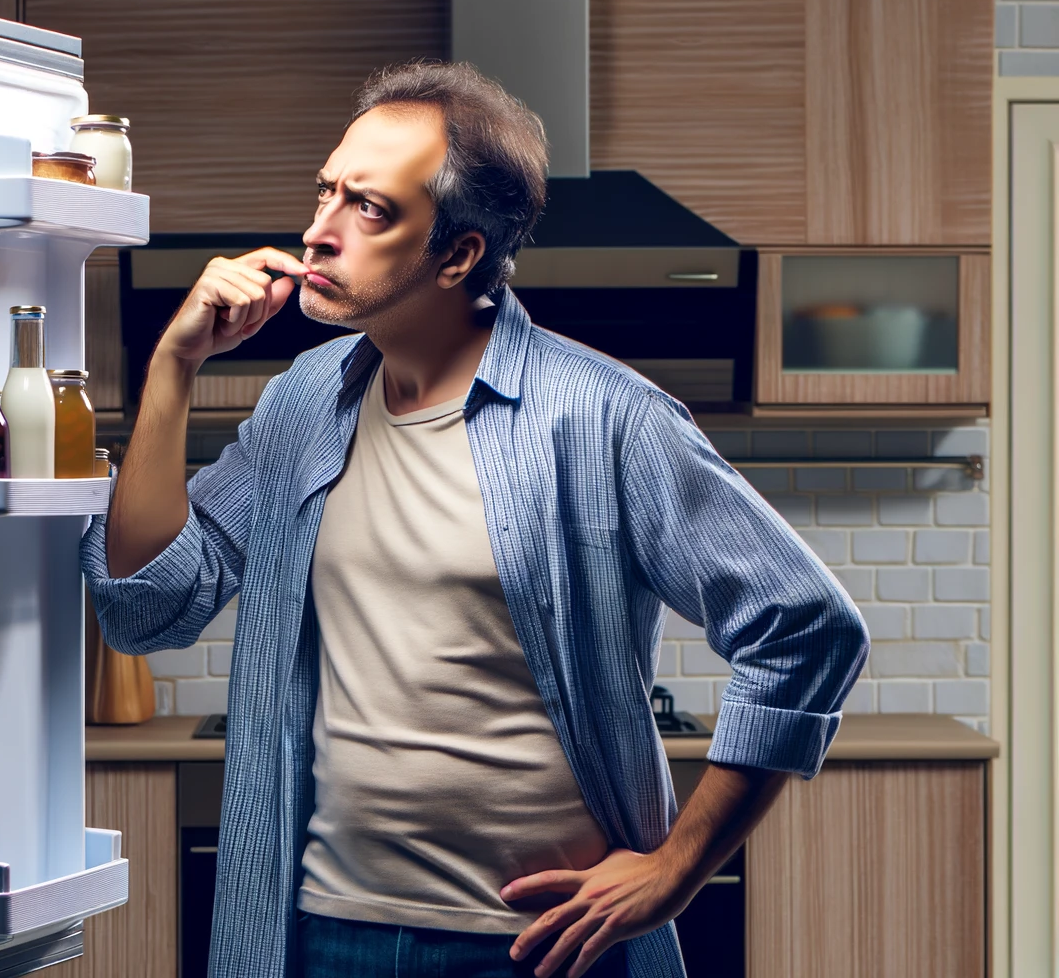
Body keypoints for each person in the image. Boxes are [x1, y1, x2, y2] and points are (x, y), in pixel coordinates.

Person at [83, 60, 868, 978]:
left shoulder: (604, 417)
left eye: (369, 209)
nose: (318, 231)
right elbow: (146, 606)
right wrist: (175, 367)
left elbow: (807, 629)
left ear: (457, 255)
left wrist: (677, 869)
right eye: (326, 192)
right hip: (321, 935)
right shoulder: (303, 402)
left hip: (545, 948)